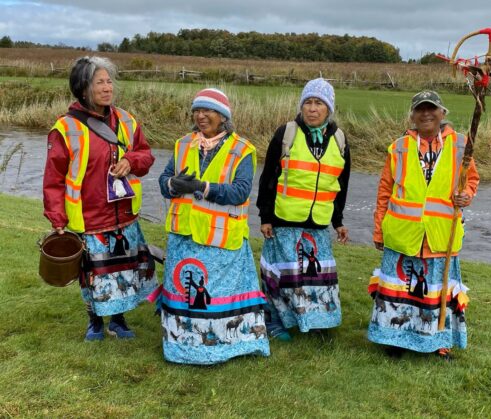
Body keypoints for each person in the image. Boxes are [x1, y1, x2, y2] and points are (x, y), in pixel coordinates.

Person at [43, 56, 157, 341]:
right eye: (100, 83)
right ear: (83, 89)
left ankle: (119, 320)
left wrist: (130, 161)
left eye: (109, 82)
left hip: (124, 214)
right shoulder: (65, 129)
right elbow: (53, 179)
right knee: (92, 273)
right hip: (89, 216)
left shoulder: (127, 121)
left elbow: (146, 156)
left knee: (123, 270)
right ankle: (94, 321)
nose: (108, 88)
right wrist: (58, 218)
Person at [158, 88, 270, 365]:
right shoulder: (183, 144)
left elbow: (241, 192)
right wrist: (173, 184)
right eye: (197, 110)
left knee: (219, 296)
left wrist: (203, 188)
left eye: (207, 111)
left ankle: (225, 346)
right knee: (186, 292)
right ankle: (182, 347)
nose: (201, 115)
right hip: (184, 236)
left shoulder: (243, 149)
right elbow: (163, 180)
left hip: (221, 240)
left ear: (223, 116)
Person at [367, 91, 479, 360]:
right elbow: (385, 191)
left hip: (440, 235)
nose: (426, 114)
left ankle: (439, 342)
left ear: (443, 113)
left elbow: (471, 181)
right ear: (413, 115)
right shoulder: (399, 147)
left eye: (432, 109)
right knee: (399, 290)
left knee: (437, 290)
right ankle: (395, 339)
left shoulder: (462, 146)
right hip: (402, 235)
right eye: (420, 109)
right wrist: (379, 229)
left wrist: (467, 195)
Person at [257, 78, 350, 341]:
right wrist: (265, 216)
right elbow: (268, 178)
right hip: (284, 219)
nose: (312, 108)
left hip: (317, 221)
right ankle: (275, 320)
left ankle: (318, 321)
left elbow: (342, 182)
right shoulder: (286, 133)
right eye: (307, 102)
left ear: (328, 108)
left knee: (316, 276)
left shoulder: (340, 139)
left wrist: (338, 221)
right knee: (281, 275)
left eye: (318, 103)